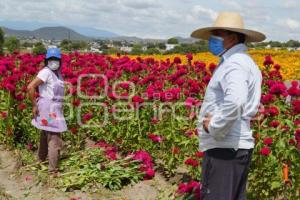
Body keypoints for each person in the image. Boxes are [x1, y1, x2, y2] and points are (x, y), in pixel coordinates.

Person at [191, 12, 266, 200]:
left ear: (232, 38)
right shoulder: (241, 62)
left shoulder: (235, 64)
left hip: (226, 148)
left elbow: (235, 101)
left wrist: (213, 126)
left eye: (217, 34)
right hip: (232, 147)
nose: (212, 40)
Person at [27, 47, 67, 173]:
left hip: (54, 109)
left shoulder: (58, 74)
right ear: (47, 60)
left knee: (45, 135)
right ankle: (52, 170)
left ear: (60, 61)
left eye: (56, 59)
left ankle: (40, 160)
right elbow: (30, 87)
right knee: (54, 138)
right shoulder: (46, 72)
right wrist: (34, 105)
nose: (54, 61)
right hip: (48, 109)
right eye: (51, 59)